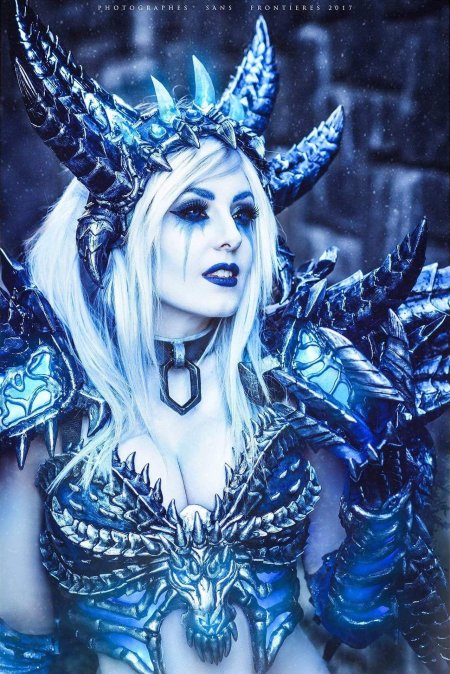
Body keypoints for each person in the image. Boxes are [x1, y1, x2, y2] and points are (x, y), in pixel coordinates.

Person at [1, 2, 449, 674]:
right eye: (192, 211)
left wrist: (384, 498)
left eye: (244, 214)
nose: (230, 238)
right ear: (120, 232)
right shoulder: (48, 406)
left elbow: (351, 618)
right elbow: (19, 643)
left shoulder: (293, 383)